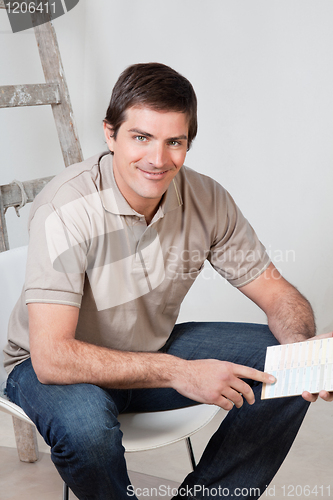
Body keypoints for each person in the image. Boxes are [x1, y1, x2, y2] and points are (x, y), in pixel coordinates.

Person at [3, 62, 332, 500]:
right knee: (87, 431)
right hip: (51, 370)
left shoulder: (206, 199)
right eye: (141, 138)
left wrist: (304, 351)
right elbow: (52, 357)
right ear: (110, 134)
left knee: (293, 364)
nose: (158, 160)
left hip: (146, 353)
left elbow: (277, 294)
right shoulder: (66, 208)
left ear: (187, 143)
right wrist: (181, 373)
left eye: (174, 142)